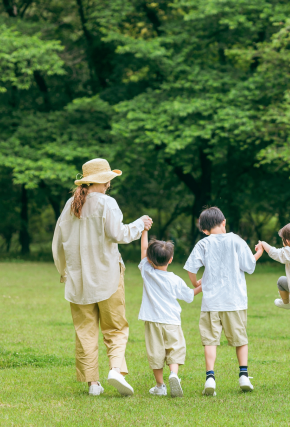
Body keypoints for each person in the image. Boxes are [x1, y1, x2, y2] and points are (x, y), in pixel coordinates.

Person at [52, 158, 153, 396]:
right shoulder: (107, 203)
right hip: (107, 276)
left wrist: (63, 271)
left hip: (78, 281)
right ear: (105, 180)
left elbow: (57, 244)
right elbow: (118, 234)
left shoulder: (70, 205)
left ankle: (93, 384)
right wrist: (140, 224)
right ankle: (115, 370)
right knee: (115, 328)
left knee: (84, 331)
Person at [184, 207, 263, 396]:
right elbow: (249, 266)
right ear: (224, 222)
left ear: (204, 230)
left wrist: (196, 283)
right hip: (234, 301)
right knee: (240, 339)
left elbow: (191, 268)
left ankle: (210, 378)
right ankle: (243, 375)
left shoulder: (203, 244)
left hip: (211, 302)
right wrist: (259, 252)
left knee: (210, 340)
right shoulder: (236, 240)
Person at [138, 229, 202, 397]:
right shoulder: (175, 279)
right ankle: (174, 374)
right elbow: (189, 296)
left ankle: (160, 386)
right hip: (172, 321)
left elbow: (144, 250)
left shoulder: (147, 271)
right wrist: (202, 286)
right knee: (174, 349)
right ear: (171, 259)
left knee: (156, 353)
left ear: (149, 260)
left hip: (152, 320)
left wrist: (144, 231)